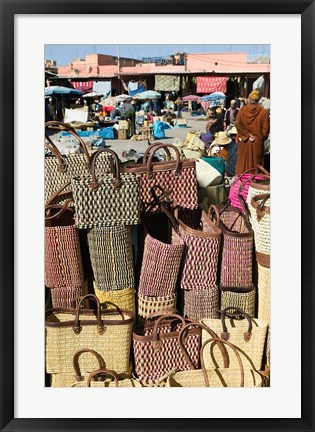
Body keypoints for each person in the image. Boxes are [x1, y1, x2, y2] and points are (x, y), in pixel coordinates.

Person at [235, 89, 270, 174]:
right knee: (256, 165)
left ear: (249, 99)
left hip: (244, 141)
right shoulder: (263, 112)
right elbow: (266, 131)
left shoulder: (242, 110)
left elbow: (237, 124)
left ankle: (242, 184)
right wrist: (259, 138)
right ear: (258, 100)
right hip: (257, 142)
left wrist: (246, 135)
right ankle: (254, 184)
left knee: (243, 163)